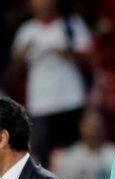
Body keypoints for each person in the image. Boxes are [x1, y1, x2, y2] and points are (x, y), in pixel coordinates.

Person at [10, 0, 94, 167]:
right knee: (44, 158)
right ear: (31, 4)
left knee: (74, 157)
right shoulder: (26, 31)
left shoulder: (72, 25)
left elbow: (91, 60)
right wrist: (22, 57)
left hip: (71, 101)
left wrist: (68, 52)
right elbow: (12, 73)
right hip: (41, 106)